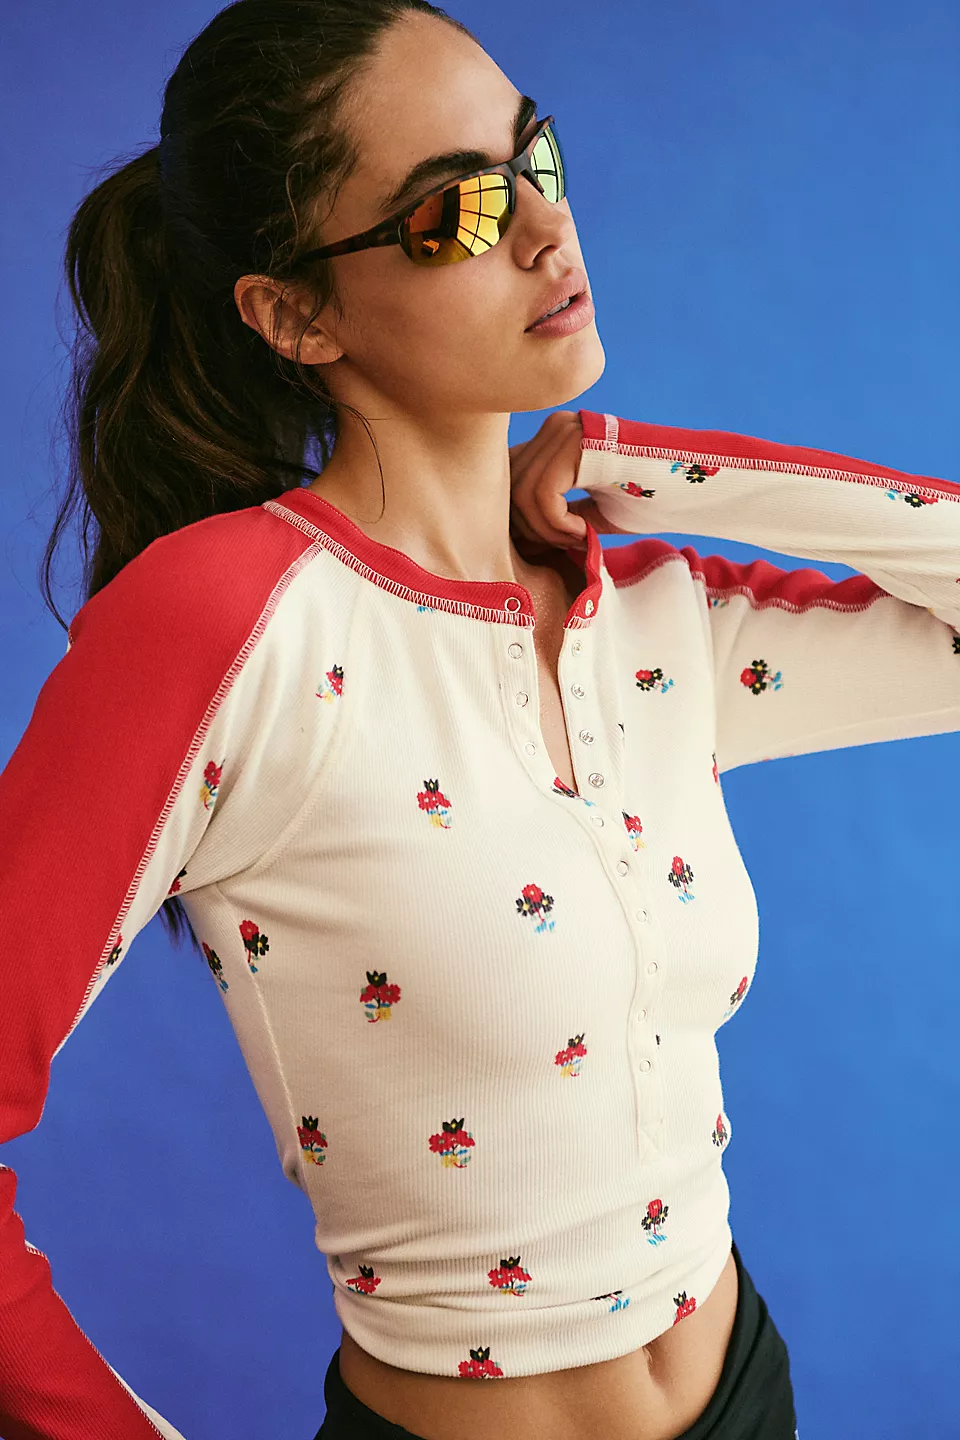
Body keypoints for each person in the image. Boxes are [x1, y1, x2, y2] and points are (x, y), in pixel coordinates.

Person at [7, 1, 960, 1437]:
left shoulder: (653, 616)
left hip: (749, 1393)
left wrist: (645, 467)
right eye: (455, 212)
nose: (544, 230)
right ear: (295, 314)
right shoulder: (225, 621)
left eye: (537, 162)